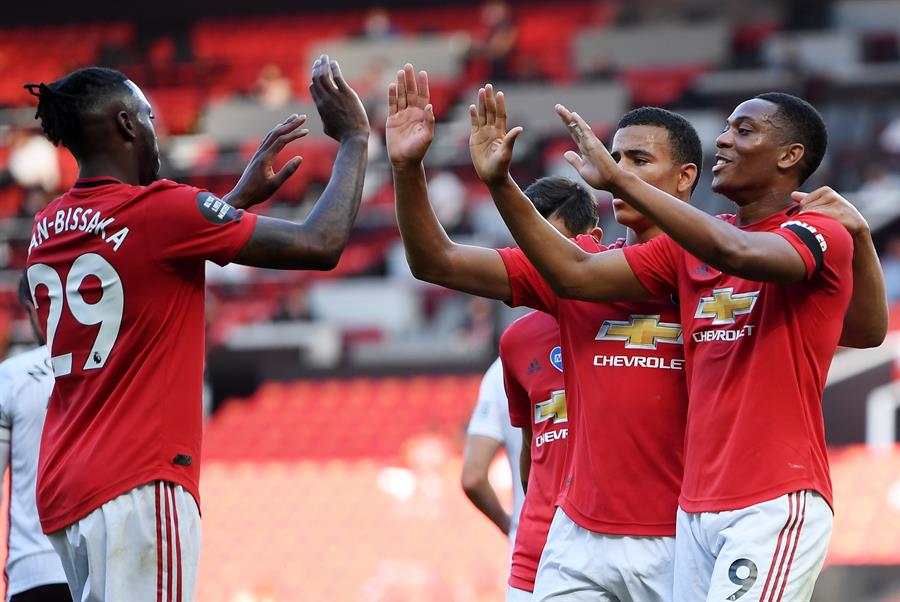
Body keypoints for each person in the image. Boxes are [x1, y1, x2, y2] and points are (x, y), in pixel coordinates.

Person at [470, 84, 888, 601]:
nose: (724, 141)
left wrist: (861, 235)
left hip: (774, 497)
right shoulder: (688, 249)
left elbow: (741, 254)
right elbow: (574, 272)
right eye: (726, 128)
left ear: (790, 155)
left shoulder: (816, 228)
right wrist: (499, 184)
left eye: (744, 130)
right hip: (694, 509)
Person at [23, 55, 369, 601]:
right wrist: (353, 139)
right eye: (150, 117)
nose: (156, 132)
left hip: (68, 489)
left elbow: (140, 260)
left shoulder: (47, 226)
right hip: (137, 481)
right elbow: (322, 244)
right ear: (126, 125)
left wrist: (228, 206)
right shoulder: (165, 210)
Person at [387, 64, 692, 601]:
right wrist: (408, 169)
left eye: (638, 160)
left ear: (685, 177)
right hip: (576, 539)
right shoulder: (575, 268)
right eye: (615, 156)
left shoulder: (723, 268)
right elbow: (436, 261)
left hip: (680, 535)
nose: (613, 169)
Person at [0, 276, 70, 602]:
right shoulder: (111, 372)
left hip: (32, 572)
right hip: (101, 568)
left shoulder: (12, 375)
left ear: (32, 310)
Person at [462, 357, 525, 546]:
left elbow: (473, 476)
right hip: (601, 537)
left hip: (533, 543)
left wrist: (511, 527)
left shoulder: (505, 366)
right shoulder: (607, 353)